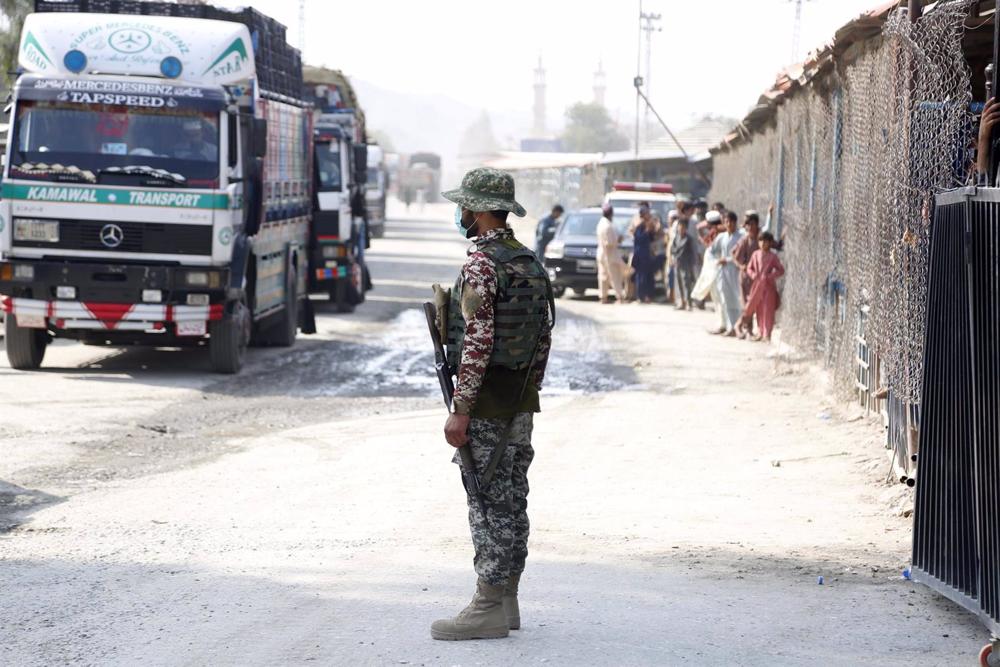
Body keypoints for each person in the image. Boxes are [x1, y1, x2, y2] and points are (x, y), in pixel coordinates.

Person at [434, 167, 554, 641]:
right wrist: (526, 393)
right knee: (513, 496)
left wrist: (461, 407)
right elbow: (543, 337)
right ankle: (508, 601)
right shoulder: (528, 262)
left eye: (464, 204)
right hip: (520, 402)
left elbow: (478, 341)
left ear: (479, 210)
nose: (460, 212)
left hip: (485, 406)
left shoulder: (482, 265)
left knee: (486, 501)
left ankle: (487, 604)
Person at [739, 231, 785, 342]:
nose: (763, 243)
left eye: (766, 241)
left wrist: (770, 276)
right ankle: (760, 331)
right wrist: (753, 274)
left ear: (770, 243)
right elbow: (749, 268)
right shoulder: (755, 254)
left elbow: (781, 270)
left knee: (768, 310)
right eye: (761, 241)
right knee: (758, 309)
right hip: (757, 286)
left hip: (769, 287)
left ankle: (767, 334)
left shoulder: (773, 256)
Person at [709, 210, 745, 335]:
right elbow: (712, 251)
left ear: (735, 223)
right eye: (726, 222)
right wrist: (717, 260)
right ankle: (729, 326)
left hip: (735, 271)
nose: (729, 224)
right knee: (725, 299)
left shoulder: (741, 236)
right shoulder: (721, 237)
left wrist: (728, 260)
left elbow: (742, 255)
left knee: (737, 299)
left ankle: (738, 326)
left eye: (731, 222)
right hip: (723, 272)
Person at [596, 203, 627, 304]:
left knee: (603, 276)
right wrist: (619, 240)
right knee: (615, 276)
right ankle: (620, 297)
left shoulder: (601, 223)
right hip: (609, 255)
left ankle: (603, 297)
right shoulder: (607, 226)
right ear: (610, 214)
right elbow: (609, 243)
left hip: (601, 253)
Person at [731, 211, 761, 306]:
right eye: (748, 225)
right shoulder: (744, 240)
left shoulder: (761, 240)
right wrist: (740, 266)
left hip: (759, 277)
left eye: (753, 224)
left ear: (757, 225)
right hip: (746, 276)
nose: (751, 227)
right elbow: (733, 254)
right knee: (746, 306)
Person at [631, 205, 658, 303]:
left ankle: (648, 295)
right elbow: (638, 239)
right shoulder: (640, 225)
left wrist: (652, 230)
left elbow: (651, 239)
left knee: (648, 276)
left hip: (647, 254)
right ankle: (641, 296)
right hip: (640, 255)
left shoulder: (647, 225)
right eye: (647, 213)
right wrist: (646, 231)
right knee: (641, 276)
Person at [671, 217, 697, 310]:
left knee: (687, 283)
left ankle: (689, 303)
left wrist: (692, 263)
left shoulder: (689, 239)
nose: (681, 229)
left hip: (686, 263)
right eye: (679, 227)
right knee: (678, 283)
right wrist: (674, 258)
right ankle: (681, 302)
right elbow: (673, 249)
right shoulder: (676, 237)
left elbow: (692, 252)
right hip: (677, 263)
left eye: (683, 227)